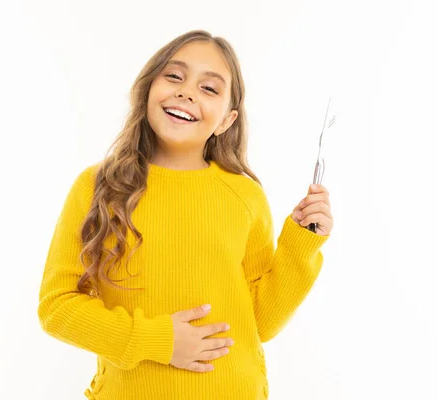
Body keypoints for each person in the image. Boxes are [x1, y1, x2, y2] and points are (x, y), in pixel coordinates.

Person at [37, 29, 333, 399]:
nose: (187, 92)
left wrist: (301, 245)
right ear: (147, 90)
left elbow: (260, 321)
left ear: (227, 120)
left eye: (209, 89)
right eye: (174, 76)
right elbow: (58, 307)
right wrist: (158, 340)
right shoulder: (97, 187)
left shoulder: (245, 196)